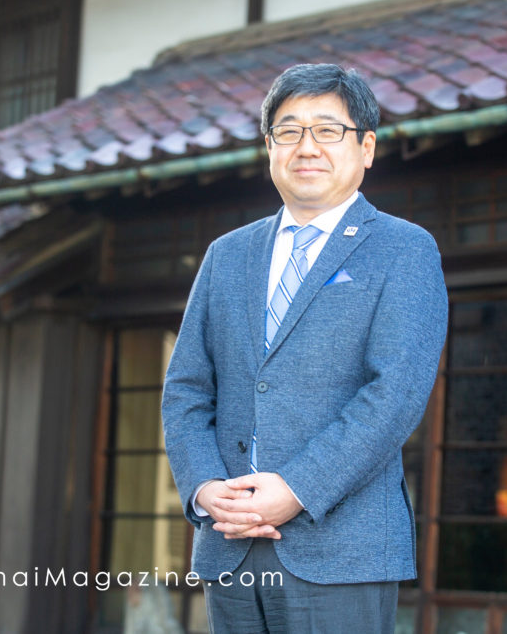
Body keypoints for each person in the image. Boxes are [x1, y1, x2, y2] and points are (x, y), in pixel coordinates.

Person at [161, 63, 448, 633]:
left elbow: (394, 395)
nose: (307, 146)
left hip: (342, 551)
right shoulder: (227, 255)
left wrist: (297, 488)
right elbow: (186, 387)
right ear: (270, 147)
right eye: (289, 131)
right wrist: (204, 487)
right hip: (230, 543)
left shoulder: (403, 249)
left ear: (366, 147)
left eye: (328, 130)